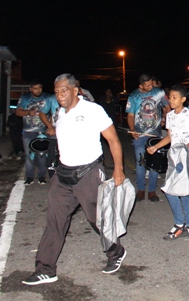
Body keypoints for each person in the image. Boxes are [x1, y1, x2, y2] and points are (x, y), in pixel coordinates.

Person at [22, 73, 127, 286]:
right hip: (63, 174)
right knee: (55, 220)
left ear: (75, 90)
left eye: (64, 91)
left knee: (98, 220)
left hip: (88, 173)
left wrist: (119, 169)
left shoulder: (93, 110)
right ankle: (45, 269)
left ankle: (116, 251)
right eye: (57, 92)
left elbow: (113, 139)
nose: (60, 95)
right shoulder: (60, 113)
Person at [147, 84, 189, 240]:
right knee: (182, 191)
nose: (171, 100)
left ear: (183, 99)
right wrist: (156, 147)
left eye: (174, 97)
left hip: (184, 156)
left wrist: (185, 148)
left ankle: (180, 224)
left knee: (170, 190)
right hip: (173, 156)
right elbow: (170, 137)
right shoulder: (170, 116)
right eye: (169, 97)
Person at [126, 73, 169, 201]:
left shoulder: (159, 92)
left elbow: (167, 107)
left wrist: (164, 119)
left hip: (155, 134)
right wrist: (132, 129)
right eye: (148, 85)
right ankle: (140, 189)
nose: (151, 87)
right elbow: (130, 115)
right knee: (141, 162)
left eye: (151, 84)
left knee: (154, 162)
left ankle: (152, 191)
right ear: (141, 86)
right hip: (139, 135)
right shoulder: (133, 96)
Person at [16, 80, 58, 185]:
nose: (38, 90)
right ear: (30, 89)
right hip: (28, 131)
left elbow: (54, 112)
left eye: (39, 88)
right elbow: (18, 112)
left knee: (43, 155)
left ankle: (41, 176)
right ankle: (29, 176)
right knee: (29, 154)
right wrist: (28, 112)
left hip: (44, 131)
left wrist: (50, 127)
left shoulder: (48, 97)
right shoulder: (25, 98)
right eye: (35, 88)